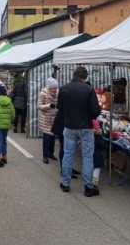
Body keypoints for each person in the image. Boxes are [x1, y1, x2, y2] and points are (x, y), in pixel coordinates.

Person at [58, 66, 101, 197]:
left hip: (69, 126)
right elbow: (95, 111)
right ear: (85, 77)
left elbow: (60, 108)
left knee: (68, 153)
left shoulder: (64, 88)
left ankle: (65, 183)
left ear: (74, 75)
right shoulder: (88, 89)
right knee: (87, 156)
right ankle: (88, 187)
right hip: (86, 127)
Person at [38, 77, 59, 164]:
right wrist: (49, 105)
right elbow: (39, 106)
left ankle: (51, 154)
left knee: (52, 138)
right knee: (47, 138)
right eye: (53, 88)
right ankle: (45, 156)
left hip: (54, 118)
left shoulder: (58, 92)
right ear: (49, 87)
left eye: (56, 88)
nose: (55, 90)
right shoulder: (43, 93)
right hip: (45, 119)